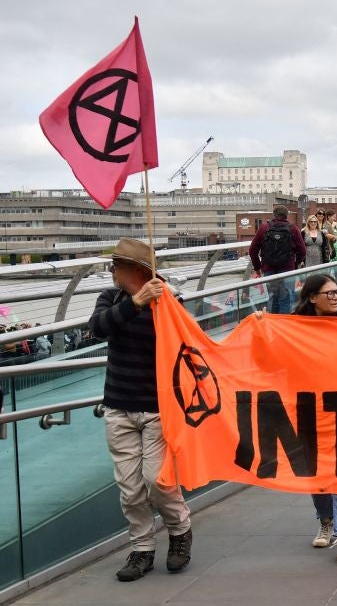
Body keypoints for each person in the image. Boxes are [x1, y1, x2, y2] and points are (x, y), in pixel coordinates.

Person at [88, 238, 192, 582]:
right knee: (129, 487)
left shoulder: (168, 301)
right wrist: (136, 302)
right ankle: (142, 548)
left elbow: (189, 344)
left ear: (134, 269)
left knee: (156, 481)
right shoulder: (112, 299)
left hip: (158, 408)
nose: (112, 271)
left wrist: (157, 303)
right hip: (118, 405)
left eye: (115, 265)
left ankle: (179, 529)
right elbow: (97, 328)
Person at [290, 274, 337, 563]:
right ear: (312, 298)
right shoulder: (294, 328)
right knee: (317, 472)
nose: (335, 297)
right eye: (328, 293)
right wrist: (259, 323)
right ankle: (325, 520)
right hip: (309, 408)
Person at [249, 206, 306, 313]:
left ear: (274, 215)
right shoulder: (293, 228)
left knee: (273, 296)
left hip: (268, 268)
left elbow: (252, 250)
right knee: (286, 297)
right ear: (287, 215)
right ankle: (283, 325)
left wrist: (257, 267)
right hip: (287, 268)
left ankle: (273, 324)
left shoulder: (264, 227)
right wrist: (295, 264)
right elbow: (302, 250)